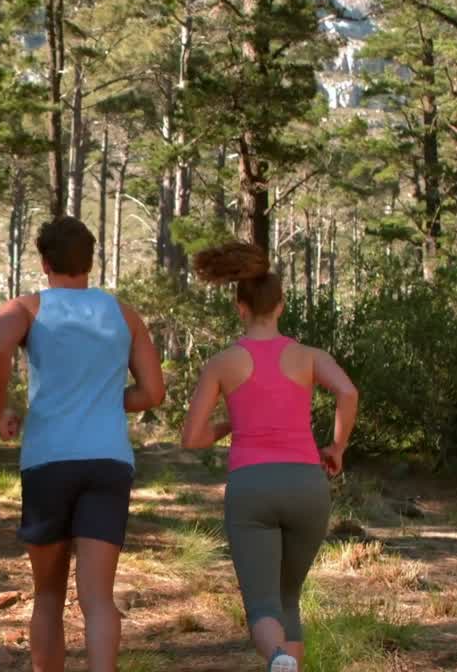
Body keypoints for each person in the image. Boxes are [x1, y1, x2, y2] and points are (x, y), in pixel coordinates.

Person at [0, 216, 166, 672]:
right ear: (89, 261)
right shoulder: (123, 314)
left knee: (47, 594)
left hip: (49, 461)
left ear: (45, 263)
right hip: (108, 463)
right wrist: (105, 398)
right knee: (98, 598)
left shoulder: (26, 309)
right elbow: (153, 394)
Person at [180, 241, 358, 672]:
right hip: (306, 485)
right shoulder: (308, 357)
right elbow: (348, 392)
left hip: (252, 486)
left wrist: (228, 427)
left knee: (262, 605)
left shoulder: (223, 363)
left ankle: (277, 656)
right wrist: (336, 446)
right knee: (288, 598)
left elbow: (192, 438)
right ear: (280, 306)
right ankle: (286, 661)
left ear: (240, 308)